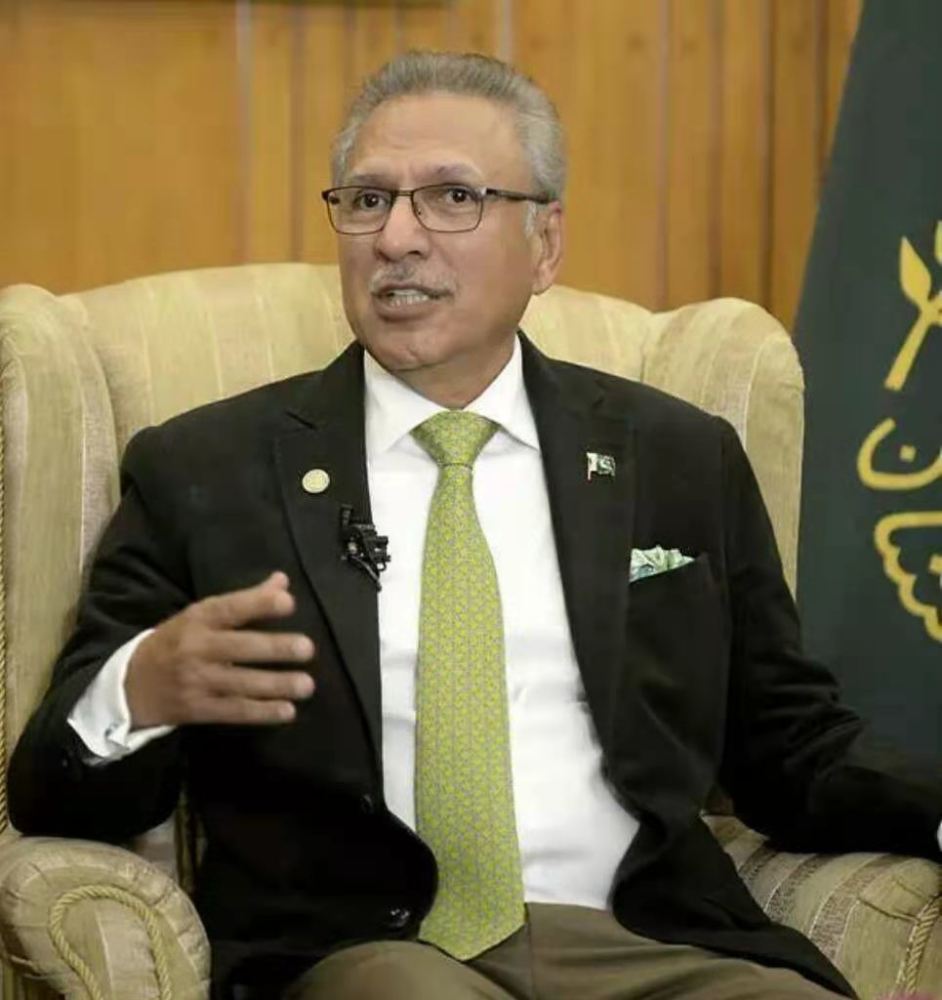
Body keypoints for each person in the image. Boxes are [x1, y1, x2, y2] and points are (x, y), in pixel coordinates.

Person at [8, 51, 942, 1000]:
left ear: (546, 245)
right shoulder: (207, 471)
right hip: (367, 951)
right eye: (368, 200)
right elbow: (50, 791)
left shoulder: (676, 456)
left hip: (645, 937)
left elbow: (789, 745)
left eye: (453, 198)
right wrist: (138, 691)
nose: (396, 238)